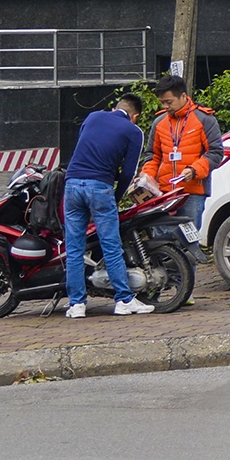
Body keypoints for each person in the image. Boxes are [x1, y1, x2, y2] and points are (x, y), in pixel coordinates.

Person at [61, 95, 155, 317]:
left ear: (115, 108)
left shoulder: (93, 117)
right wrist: (116, 196)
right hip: (99, 187)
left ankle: (76, 305)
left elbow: (83, 146)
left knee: (74, 248)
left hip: (72, 184)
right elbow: (129, 172)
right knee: (111, 245)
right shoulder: (134, 131)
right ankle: (124, 300)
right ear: (135, 116)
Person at [140, 75, 223, 264]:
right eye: (162, 103)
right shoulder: (159, 123)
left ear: (183, 96)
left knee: (188, 242)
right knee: (160, 240)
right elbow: (152, 155)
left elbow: (216, 153)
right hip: (164, 193)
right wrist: (146, 178)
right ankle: (164, 286)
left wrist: (193, 170)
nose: (165, 106)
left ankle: (187, 289)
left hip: (192, 191)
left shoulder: (204, 119)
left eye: (169, 102)